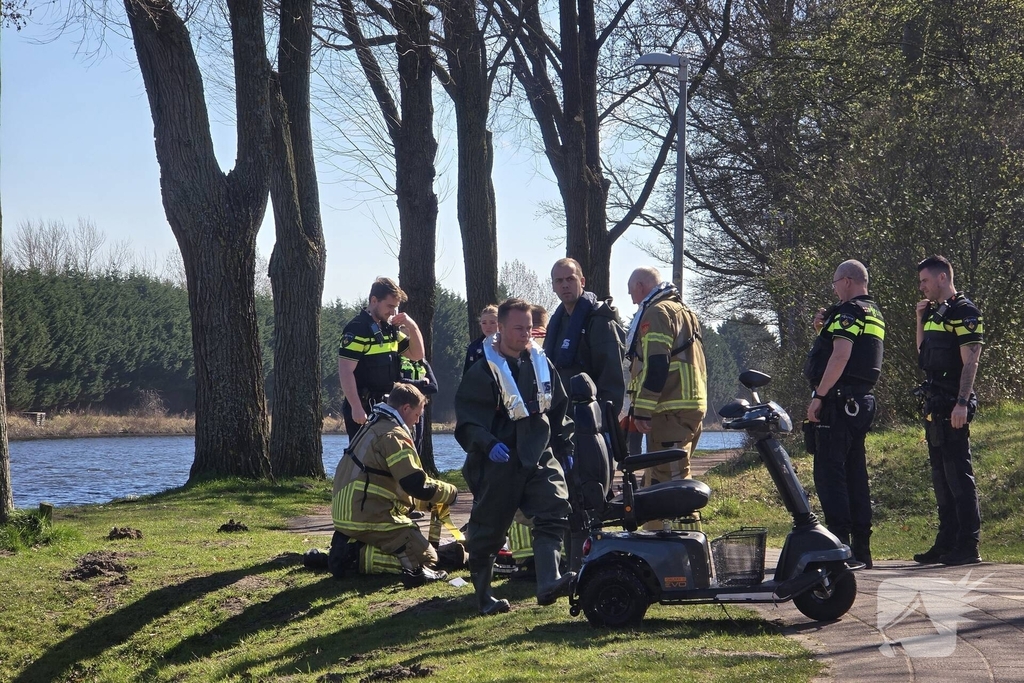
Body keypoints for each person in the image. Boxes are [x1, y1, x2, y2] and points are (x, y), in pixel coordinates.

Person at [455, 298, 576, 615]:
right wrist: (487, 443)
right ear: (502, 328)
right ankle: (484, 598)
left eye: (528, 328)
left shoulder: (541, 364)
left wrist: (566, 446)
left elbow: (559, 409)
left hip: (539, 453)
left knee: (554, 507)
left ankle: (549, 581)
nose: (525, 334)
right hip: (500, 461)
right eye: (518, 328)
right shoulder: (484, 371)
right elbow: (468, 421)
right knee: (488, 531)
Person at [328, 384, 458, 587]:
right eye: (417, 415)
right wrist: (450, 493)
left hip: (350, 515)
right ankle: (356, 557)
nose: (417, 422)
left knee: (421, 547)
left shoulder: (372, 427)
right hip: (369, 517)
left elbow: (391, 483)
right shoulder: (394, 435)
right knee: (427, 559)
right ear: (405, 408)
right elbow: (415, 484)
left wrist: (426, 504)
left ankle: (351, 546)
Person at [804, 260, 885, 568]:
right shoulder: (873, 312)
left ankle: (840, 547)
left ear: (848, 281)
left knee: (830, 475)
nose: (834, 289)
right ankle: (861, 548)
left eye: (836, 283)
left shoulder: (849, 312)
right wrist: (822, 330)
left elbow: (841, 355)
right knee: (855, 475)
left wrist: (819, 396)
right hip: (860, 401)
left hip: (839, 403)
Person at [913, 255, 984, 566]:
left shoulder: (964, 312)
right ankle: (946, 541)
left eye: (925, 281)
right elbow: (922, 352)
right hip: (935, 404)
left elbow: (971, 360)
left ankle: (968, 544)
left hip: (954, 403)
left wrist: (963, 402)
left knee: (958, 475)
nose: (922, 287)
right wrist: (918, 319)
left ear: (942, 278)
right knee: (941, 477)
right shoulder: (933, 313)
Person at [624, 267, 707, 485]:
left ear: (640, 286)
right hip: (687, 405)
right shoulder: (684, 311)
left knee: (672, 484)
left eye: (631, 292)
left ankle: (681, 520)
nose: (632, 301)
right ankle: (658, 520)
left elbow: (657, 363)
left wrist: (642, 409)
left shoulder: (657, 313)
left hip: (671, 407)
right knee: (655, 480)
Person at [338, 277, 425, 440]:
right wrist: (356, 407)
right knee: (367, 460)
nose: (393, 312)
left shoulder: (389, 329)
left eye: (395, 308)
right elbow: (345, 371)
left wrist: (412, 326)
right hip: (364, 407)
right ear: (374, 300)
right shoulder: (357, 329)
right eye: (390, 306)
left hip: (389, 406)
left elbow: (417, 354)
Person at [544, 258, 626, 416]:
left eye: (570, 279)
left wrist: (602, 423)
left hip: (590, 420)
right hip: (561, 418)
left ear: (582, 281)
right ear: (553, 286)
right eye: (559, 281)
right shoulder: (556, 323)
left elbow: (610, 379)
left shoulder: (600, 322)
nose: (565, 285)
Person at [398, 356, 437, 453]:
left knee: (417, 441)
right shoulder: (397, 359)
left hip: (418, 410)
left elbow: (433, 387)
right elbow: (397, 381)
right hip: (401, 409)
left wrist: (410, 385)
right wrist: (421, 383)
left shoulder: (423, 363)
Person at [463, 304, 499, 374]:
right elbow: (467, 374)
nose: (488, 326)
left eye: (492, 323)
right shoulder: (474, 347)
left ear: (500, 324)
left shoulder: (507, 346)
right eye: (484, 323)